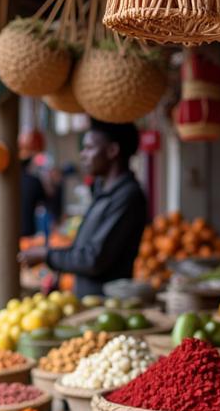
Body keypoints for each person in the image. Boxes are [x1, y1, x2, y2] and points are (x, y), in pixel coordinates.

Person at [19, 120, 146, 297]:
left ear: (112, 151)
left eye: (89, 148)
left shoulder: (127, 196)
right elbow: (85, 247)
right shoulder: (104, 191)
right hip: (88, 300)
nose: (83, 155)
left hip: (106, 306)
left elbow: (93, 259)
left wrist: (46, 255)